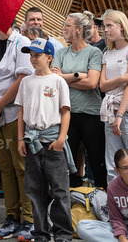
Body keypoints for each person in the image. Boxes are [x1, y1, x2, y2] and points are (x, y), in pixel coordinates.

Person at [16, 37, 74, 242]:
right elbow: (22, 111)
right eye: (30, 55)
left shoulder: (58, 81)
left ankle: (63, 233)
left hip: (52, 140)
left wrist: (61, 139)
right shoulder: (26, 81)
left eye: (37, 55)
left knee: (59, 190)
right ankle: (40, 233)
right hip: (32, 141)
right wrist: (20, 138)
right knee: (34, 191)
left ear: (49, 57)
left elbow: (65, 112)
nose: (33, 59)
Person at [0, 21, 34, 241]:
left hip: (13, 113)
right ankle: (12, 216)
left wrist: (1, 103)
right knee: (5, 167)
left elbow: (23, 78)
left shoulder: (22, 42)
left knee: (21, 166)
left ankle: (29, 219)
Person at [53, 12, 105, 188]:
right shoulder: (61, 52)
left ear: (79, 29)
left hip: (90, 114)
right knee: (70, 162)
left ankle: (102, 199)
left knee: (97, 159)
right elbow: (54, 81)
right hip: (67, 114)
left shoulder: (94, 52)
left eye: (67, 25)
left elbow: (92, 83)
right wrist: (77, 76)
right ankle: (74, 202)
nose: (64, 29)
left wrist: (65, 79)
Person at [99, 10, 128, 181]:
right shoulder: (107, 53)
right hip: (110, 109)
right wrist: (122, 78)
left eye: (109, 26)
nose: (105, 30)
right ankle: (115, 202)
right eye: (104, 26)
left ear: (121, 26)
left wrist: (120, 114)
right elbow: (103, 85)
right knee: (113, 160)